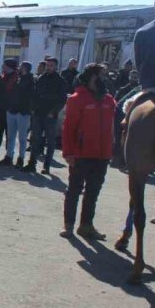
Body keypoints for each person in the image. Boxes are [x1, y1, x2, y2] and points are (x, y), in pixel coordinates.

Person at [60, 63, 116, 240]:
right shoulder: (76, 99)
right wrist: (68, 153)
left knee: (93, 192)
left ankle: (86, 226)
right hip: (80, 154)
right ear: (92, 77)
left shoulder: (109, 100)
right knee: (74, 190)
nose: (104, 79)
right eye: (101, 75)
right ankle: (68, 225)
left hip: (102, 154)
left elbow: (112, 127)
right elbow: (69, 128)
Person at [22, 56, 66, 174]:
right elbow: (34, 94)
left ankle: (46, 166)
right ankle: (31, 164)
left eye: (51, 65)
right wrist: (32, 108)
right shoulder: (41, 78)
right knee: (35, 139)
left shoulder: (60, 81)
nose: (49, 67)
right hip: (38, 113)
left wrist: (53, 112)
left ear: (56, 67)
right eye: (47, 65)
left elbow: (62, 100)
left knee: (50, 141)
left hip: (50, 115)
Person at [0, 61, 35, 168]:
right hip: (12, 110)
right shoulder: (17, 78)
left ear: (25, 68)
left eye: (21, 66)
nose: (19, 67)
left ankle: (21, 159)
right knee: (10, 136)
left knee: (22, 138)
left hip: (23, 112)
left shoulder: (31, 80)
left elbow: (29, 96)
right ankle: (9, 156)